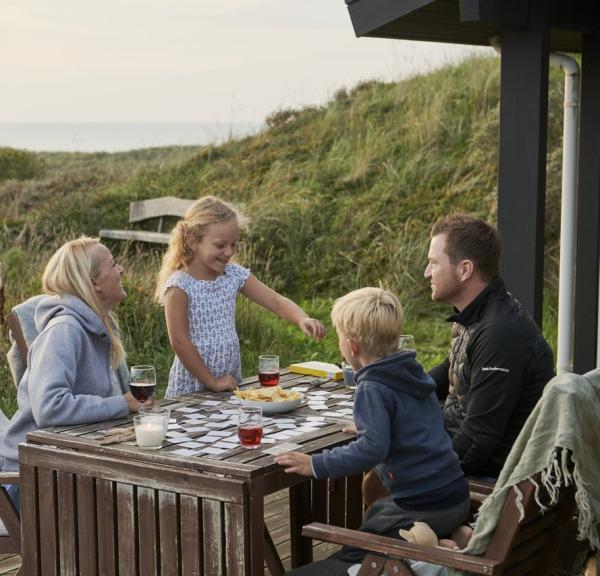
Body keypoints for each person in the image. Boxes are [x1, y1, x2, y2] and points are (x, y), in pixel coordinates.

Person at [275, 287, 469, 575]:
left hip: (421, 505)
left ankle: (431, 548)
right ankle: (443, 541)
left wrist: (315, 464)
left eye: (341, 337)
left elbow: (371, 450)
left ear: (352, 346)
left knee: (355, 550)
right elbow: (419, 418)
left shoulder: (372, 387)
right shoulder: (410, 370)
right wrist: (376, 425)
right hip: (455, 497)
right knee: (378, 514)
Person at [0, 237, 144, 510]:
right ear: (95, 283)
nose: (121, 269)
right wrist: (121, 403)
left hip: (61, 470)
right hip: (30, 482)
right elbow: (49, 408)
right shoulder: (65, 330)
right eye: (113, 264)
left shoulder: (96, 326)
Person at [154, 195, 325, 398]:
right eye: (220, 245)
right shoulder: (180, 285)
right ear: (192, 241)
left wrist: (301, 318)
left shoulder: (233, 275)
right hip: (193, 385)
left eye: (233, 245)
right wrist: (212, 382)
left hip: (229, 381)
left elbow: (275, 300)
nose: (228, 252)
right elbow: (179, 341)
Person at [425, 214, 555, 479]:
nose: (427, 272)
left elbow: (478, 440)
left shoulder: (500, 333)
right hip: (457, 441)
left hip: (495, 475)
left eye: (433, 263)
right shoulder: (473, 314)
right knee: (379, 456)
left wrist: (424, 475)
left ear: (465, 270)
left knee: (383, 468)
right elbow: (449, 370)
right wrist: (394, 397)